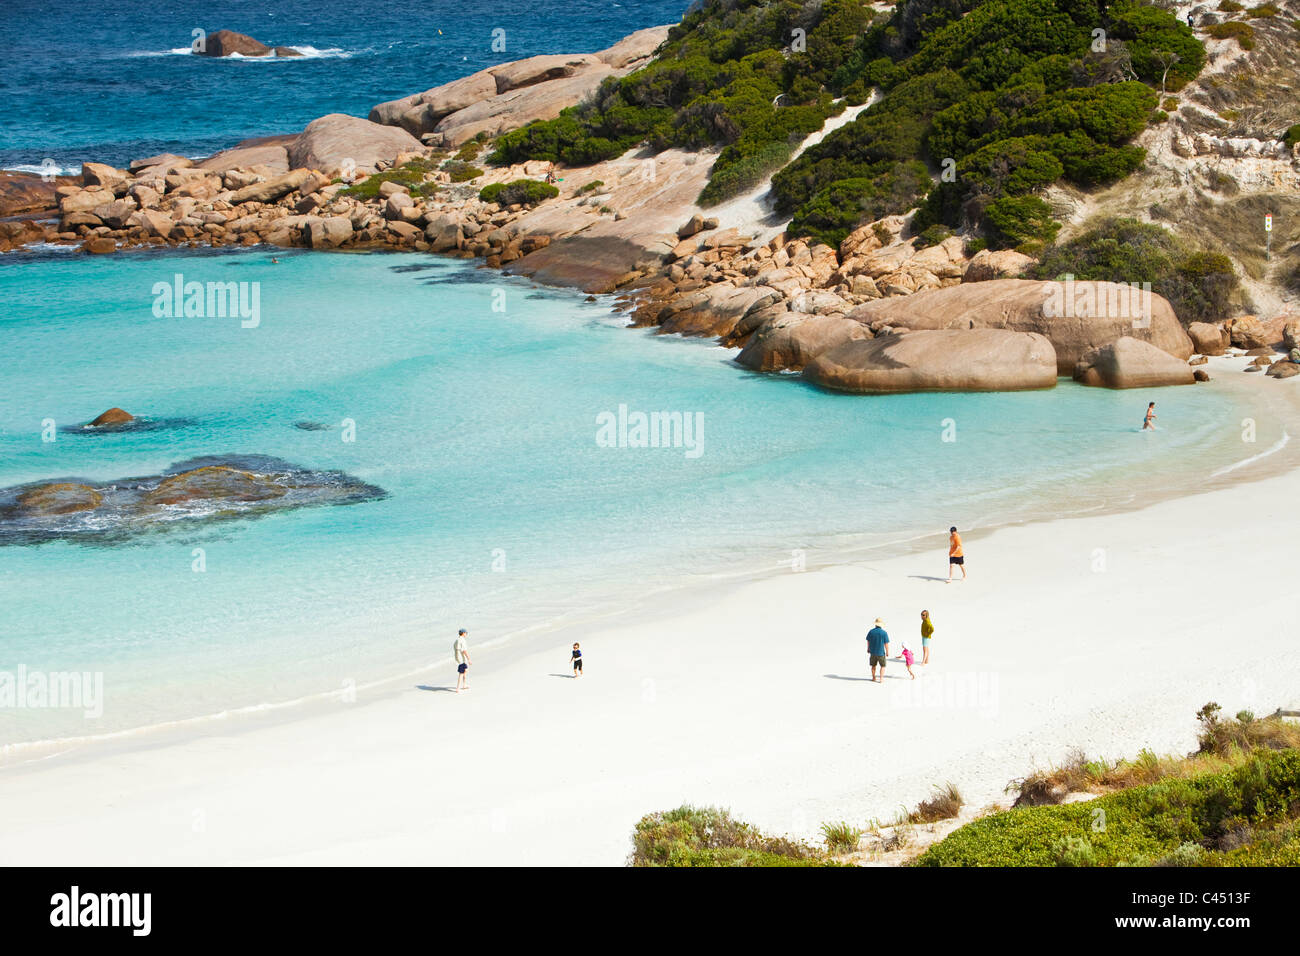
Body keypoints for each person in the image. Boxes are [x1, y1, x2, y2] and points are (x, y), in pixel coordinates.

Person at [866, 618, 890, 683]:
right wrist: (887, 652)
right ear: (881, 625)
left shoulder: (871, 632)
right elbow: (886, 644)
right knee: (883, 666)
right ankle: (881, 679)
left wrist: (868, 648)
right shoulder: (884, 633)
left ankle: (874, 677)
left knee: (873, 666)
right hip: (881, 652)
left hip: (873, 652)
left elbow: (868, 641)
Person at [453, 628, 471, 693]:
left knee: (465, 671)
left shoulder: (457, 640)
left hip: (458, 657)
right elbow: (464, 651)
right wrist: (469, 659)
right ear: (463, 633)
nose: (466, 634)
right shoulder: (462, 640)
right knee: (461, 673)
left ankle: (464, 685)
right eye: (466, 633)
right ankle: (457, 688)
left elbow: (456, 649)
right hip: (462, 659)